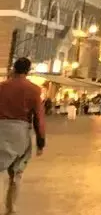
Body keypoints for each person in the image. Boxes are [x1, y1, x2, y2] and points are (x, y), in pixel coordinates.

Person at [0, 58, 46, 215]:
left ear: (13, 69)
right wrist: (41, 141)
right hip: (20, 132)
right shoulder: (34, 89)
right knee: (16, 173)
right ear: (28, 70)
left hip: (1, 130)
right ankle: (11, 209)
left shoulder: (2, 87)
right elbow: (39, 118)